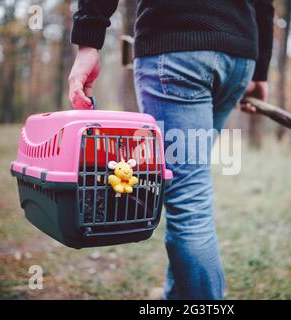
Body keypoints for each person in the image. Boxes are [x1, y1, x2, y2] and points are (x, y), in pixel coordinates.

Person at [68, 0, 274, 300]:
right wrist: (260, 70)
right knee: (188, 191)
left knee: (188, 202)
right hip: (238, 56)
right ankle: (176, 297)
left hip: (176, 48)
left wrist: (88, 41)